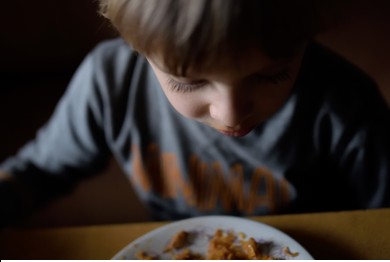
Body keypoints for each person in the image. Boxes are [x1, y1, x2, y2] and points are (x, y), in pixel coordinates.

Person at [1, 0, 389, 227]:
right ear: (138, 50)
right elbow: (34, 174)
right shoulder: (111, 84)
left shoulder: (346, 106)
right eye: (188, 83)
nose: (231, 113)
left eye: (272, 75)